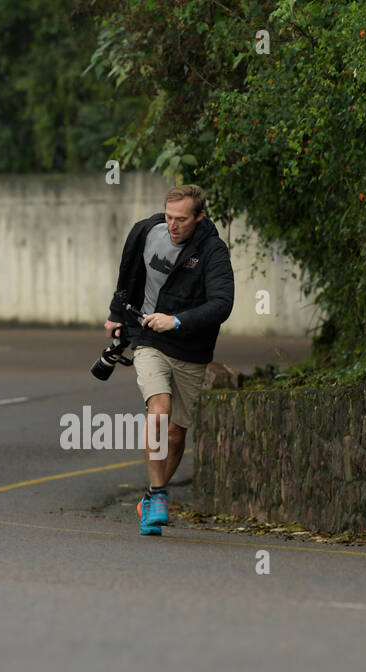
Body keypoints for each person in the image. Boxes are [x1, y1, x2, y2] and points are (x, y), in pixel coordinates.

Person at [106, 184, 234, 535]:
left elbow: (222, 304)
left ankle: (150, 495)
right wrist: (117, 314)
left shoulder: (212, 251)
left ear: (199, 217)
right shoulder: (148, 232)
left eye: (181, 219)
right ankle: (160, 494)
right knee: (158, 409)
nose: (173, 226)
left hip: (191, 348)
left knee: (177, 435)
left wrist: (177, 321)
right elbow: (128, 273)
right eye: (169, 217)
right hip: (149, 338)